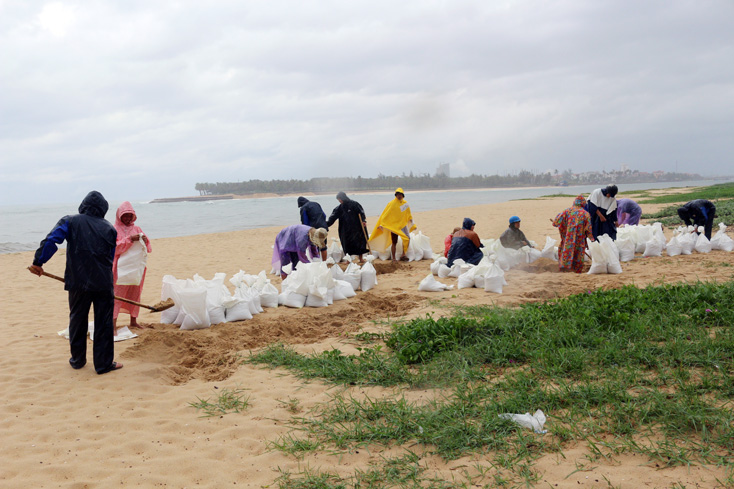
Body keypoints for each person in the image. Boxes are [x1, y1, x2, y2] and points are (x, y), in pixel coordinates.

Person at [28, 191, 123, 374]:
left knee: (78, 319)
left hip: (78, 282)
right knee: (103, 322)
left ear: (83, 205)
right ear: (103, 209)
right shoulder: (110, 229)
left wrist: (38, 262)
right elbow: (109, 259)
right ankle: (103, 364)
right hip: (103, 283)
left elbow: (52, 240)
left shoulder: (70, 221)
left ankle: (78, 360)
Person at [112, 202, 152, 335]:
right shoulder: (113, 229)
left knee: (135, 293)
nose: (128, 219)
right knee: (117, 295)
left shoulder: (137, 229)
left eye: (130, 216)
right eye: (125, 216)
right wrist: (129, 239)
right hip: (120, 268)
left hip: (136, 267)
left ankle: (133, 320)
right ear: (119, 216)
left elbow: (148, 248)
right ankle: (113, 325)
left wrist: (145, 240)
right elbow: (113, 248)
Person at [368, 188, 416, 261]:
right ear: (395, 195)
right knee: (394, 242)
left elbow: (408, 214)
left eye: (400, 194)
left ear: (403, 195)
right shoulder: (392, 204)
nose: (399, 196)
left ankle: (403, 254)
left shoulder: (405, 204)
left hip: (402, 225)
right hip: (394, 226)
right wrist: (382, 224)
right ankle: (393, 258)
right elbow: (386, 215)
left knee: (407, 238)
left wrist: (413, 224)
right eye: (397, 194)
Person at [553, 195, 595, 273]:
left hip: (568, 239)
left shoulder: (567, 211)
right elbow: (588, 229)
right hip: (579, 239)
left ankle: (565, 268)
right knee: (578, 254)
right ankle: (576, 270)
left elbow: (556, 222)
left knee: (567, 252)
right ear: (583, 204)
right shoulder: (585, 214)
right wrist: (591, 239)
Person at [325, 191, 370, 263]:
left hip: (357, 228)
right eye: (338, 200)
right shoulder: (339, 208)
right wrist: (325, 224)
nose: (339, 201)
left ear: (343, 198)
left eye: (339, 199)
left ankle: (361, 258)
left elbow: (361, 212)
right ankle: (348, 260)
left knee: (359, 243)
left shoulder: (354, 204)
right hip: (345, 229)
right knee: (346, 244)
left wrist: (363, 220)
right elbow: (332, 217)